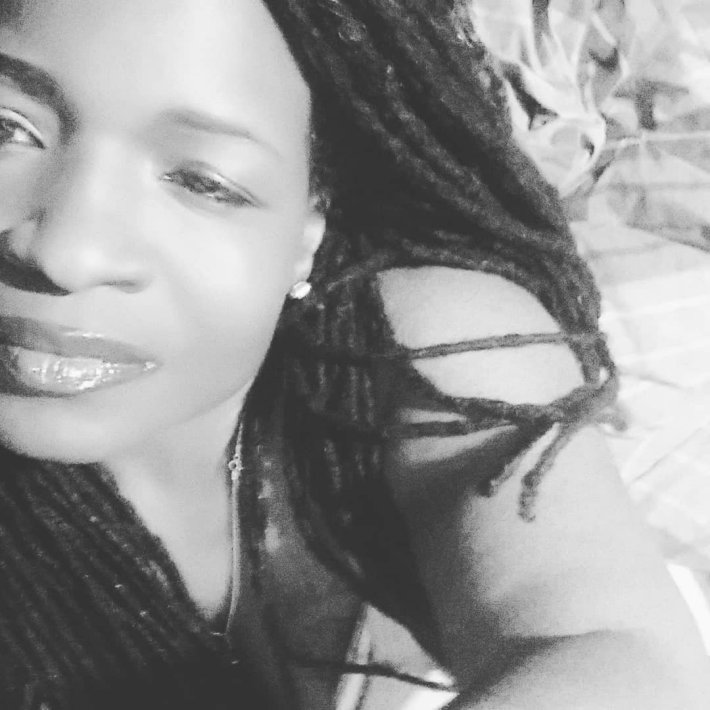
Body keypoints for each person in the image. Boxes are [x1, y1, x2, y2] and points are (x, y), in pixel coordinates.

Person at [0, 0, 707, 708]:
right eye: (7, 128)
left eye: (203, 182)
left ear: (309, 227)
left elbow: (622, 654)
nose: (65, 252)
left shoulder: (412, 346)